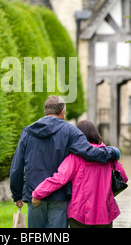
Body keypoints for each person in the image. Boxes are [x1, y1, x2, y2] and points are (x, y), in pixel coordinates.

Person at [10, 95, 121, 228]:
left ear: (45, 111)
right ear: (62, 111)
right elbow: (90, 153)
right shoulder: (71, 131)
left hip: (33, 194)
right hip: (60, 196)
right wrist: (113, 151)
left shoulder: (28, 132)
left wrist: (17, 194)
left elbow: (17, 166)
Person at [31, 120, 128, 228]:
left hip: (80, 213)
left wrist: (38, 193)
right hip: (104, 212)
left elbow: (59, 178)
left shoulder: (75, 157)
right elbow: (123, 177)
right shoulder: (108, 155)